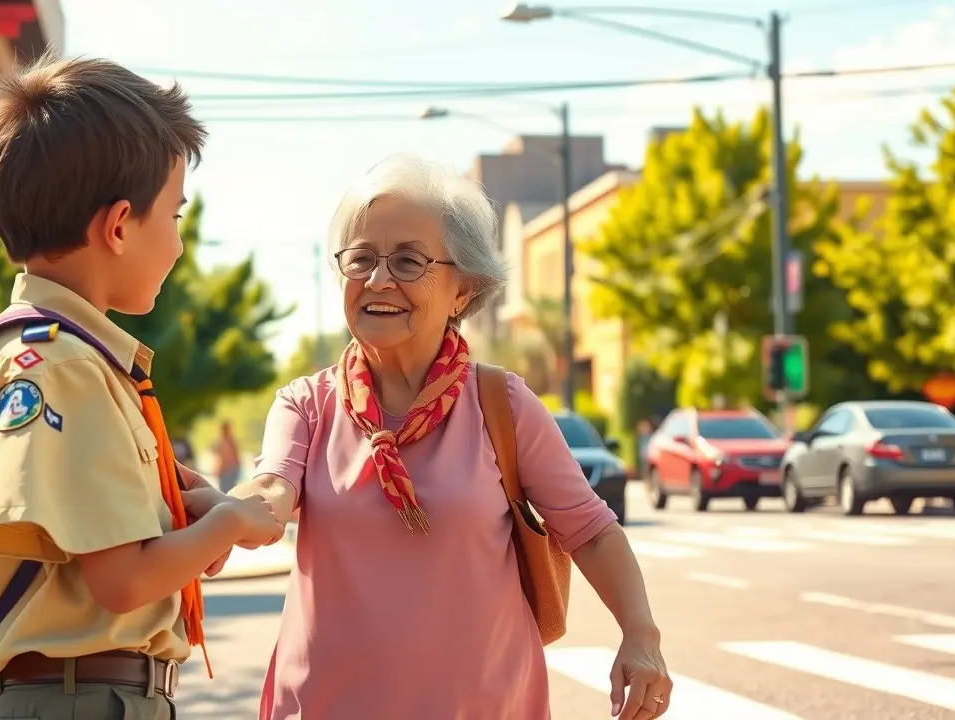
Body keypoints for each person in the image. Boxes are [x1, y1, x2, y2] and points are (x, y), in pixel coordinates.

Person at [232, 154, 672, 720]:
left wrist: (641, 634)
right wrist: (219, 511)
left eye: (408, 261)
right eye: (360, 258)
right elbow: (271, 493)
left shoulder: (503, 405)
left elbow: (590, 531)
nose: (377, 279)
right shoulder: (306, 406)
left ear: (463, 290)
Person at [0, 54, 282, 720]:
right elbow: (122, 580)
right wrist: (232, 520)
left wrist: (193, 520)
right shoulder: (65, 368)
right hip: (85, 700)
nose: (181, 246)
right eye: (177, 217)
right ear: (121, 225)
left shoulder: (39, 354)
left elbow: (113, 557)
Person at [211, 420, 243, 491]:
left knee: (227, 492)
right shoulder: (224, 441)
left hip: (229, 470)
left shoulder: (227, 441)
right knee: (227, 491)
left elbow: (228, 457)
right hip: (228, 470)